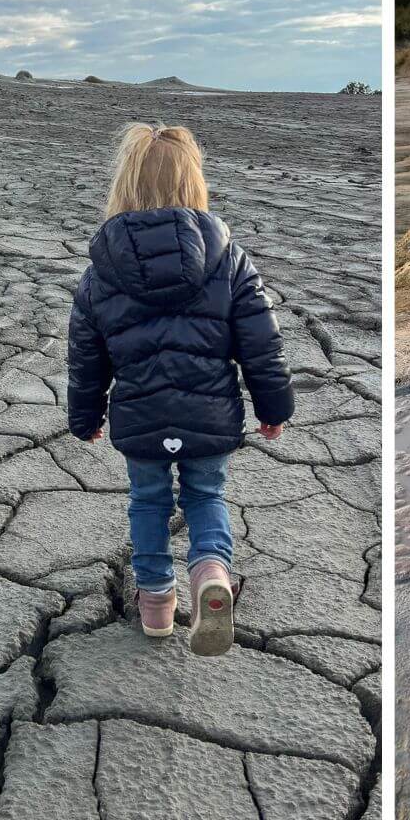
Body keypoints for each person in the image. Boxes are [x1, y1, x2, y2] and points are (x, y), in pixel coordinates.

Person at [66, 123, 295, 655]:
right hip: (210, 417)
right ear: (195, 182)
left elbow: (85, 353)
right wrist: (273, 407)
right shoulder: (229, 259)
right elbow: (262, 343)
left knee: (147, 502)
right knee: (205, 495)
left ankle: (156, 609)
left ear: (124, 185)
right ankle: (211, 572)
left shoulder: (102, 270)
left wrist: (86, 416)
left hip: (140, 418)